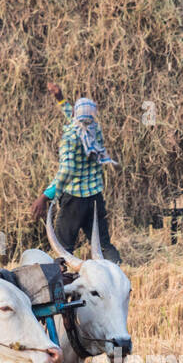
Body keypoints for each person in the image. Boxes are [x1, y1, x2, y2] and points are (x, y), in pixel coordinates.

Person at [29, 82, 123, 264]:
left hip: (74, 201)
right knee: (103, 244)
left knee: (62, 248)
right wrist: (60, 99)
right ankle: (117, 272)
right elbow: (76, 118)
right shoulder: (95, 130)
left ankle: (59, 283)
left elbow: (67, 171)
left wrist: (45, 196)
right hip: (95, 197)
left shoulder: (71, 137)